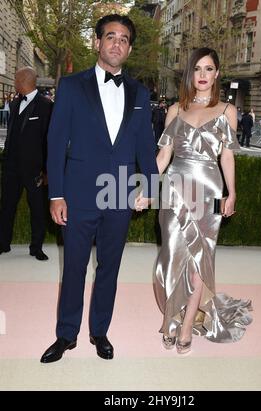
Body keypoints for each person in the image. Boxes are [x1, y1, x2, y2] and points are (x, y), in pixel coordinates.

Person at [41, 14, 158, 363]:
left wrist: (148, 185)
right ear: (97, 42)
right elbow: (56, 141)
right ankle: (66, 334)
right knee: (74, 267)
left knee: (110, 267)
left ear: (130, 48)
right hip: (76, 195)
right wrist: (56, 194)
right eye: (111, 37)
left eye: (124, 39)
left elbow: (144, 145)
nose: (116, 43)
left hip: (120, 193)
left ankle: (99, 331)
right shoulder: (73, 86)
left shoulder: (140, 92)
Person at [137, 48, 253, 353]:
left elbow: (227, 156)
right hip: (174, 191)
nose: (203, 75)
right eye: (198, 69)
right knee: (170, 258)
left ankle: (185, 324)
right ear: (191, 74)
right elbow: (163, 156)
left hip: (210, 191)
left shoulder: (228, 110)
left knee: (201, 261)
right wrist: (145, 187)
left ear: (217, 74)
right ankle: (170, 316)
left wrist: (232, 192)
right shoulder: (175, 110)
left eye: (209, 69)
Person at [0, 67, 52, 260]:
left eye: (15, 78)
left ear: (23, 80)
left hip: (34, 169)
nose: (13, 81)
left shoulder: (46, 106)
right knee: (6, 206)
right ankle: (3, 243)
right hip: (11, 168)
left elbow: (49, 140)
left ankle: (36, 247)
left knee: (37, 209)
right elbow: (10, 134)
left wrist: (46, 171)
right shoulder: (13, 104)